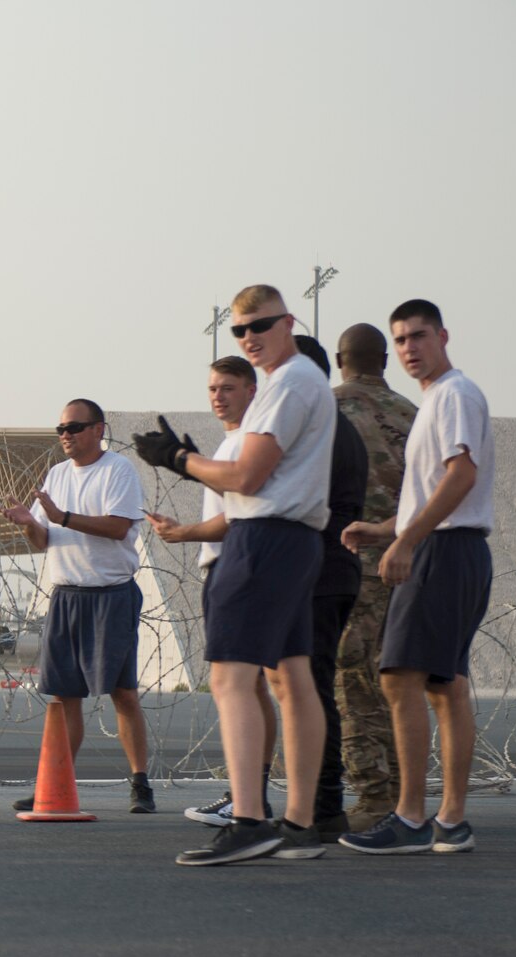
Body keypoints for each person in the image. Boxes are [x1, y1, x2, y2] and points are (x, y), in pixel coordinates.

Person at [134, 285, 333, 866]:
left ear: (288, 322)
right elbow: (256, 475)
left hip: (264, 540)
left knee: (229, 679)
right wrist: (202, 465)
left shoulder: (289, 383)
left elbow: (248, 478)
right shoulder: (295, 384)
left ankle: (249, 818)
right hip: (293, 540)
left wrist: (177, 458)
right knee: (292, 679)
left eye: (261, 326)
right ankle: (298, 823)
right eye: (240, 331)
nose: (250, 339)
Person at [337, 300, 492, 855]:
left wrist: (406, 541)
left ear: (443, 336)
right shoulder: (427, 403)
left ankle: (410, 817)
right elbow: (435, 490)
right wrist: (383, 529)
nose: (410, 348)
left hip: (443, 552)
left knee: (399, 677)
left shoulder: (452, 394)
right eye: (401, 340)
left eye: (419, 337)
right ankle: (450, 821)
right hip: (449, 546)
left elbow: (461, 476)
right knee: (443, 686)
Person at [0, 399, 152, 814]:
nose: (65, 435)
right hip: (67, 596)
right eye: (61, 429)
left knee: (123, 692)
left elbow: (118, 526)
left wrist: (63, 516)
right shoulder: (56, 475)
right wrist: (30, 523)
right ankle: (56, 780)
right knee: (65, 694)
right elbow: (44, 540)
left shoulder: (117, 471)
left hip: (110, 595)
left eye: (75, 427)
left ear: (98, 430)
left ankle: (140, 782)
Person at [144, 358, 276, 827]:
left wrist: (186, 533)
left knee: (237, 684)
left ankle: (248, 802)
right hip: (236, 564)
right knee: (259, 685)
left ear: (251, 389)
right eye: (212, 388)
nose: (218, 396)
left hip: (235, 565)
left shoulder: (246, 441)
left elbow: (239, 513)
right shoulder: (234, 442)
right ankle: (253, 794)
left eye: (229, 387)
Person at [330, 323, 418, 823]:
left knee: (352, 679)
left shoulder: (330, 410)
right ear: (383, 359)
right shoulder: (412, 414)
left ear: (340, 359)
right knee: (398, 679)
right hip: (405, 557)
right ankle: (404, 793)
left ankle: (375, 793)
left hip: (350, 558)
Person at [291, 335, 370, 840]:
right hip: (330, 570)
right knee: (312, 686)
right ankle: (320, 805)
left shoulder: (321, 431)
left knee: (312, 691)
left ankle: (322, 808)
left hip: (319, 573)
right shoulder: (338, 428)